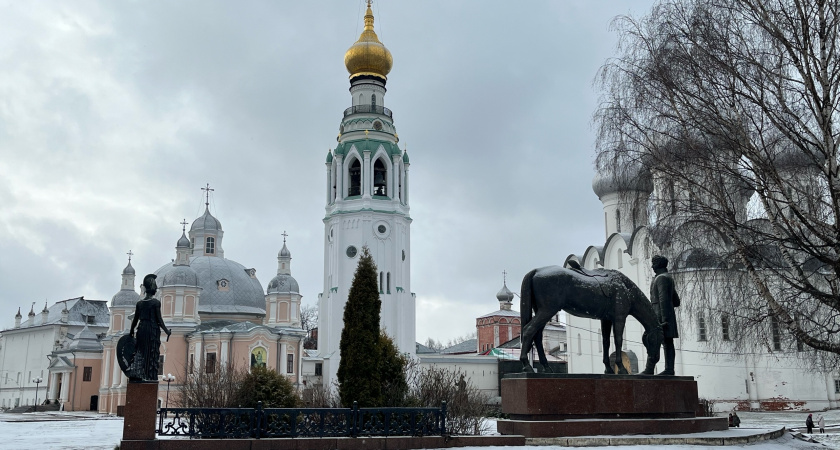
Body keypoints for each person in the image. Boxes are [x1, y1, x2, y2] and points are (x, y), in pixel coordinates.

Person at [128, 274, 171, 381]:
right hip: (152, 330)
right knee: (151, 352)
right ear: (151, 287)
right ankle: (149, 375)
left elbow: (135, 319)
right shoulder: (155, 303)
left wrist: (131, 330)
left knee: (141, 351)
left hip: (141, 329)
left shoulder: (140, 303)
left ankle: (139, 374)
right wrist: (166, 331)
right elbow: (159, 319)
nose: (156, 288)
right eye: (155, 286)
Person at [650, 255, 680, 375]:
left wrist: (664, 319)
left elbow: (664, 300)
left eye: (653, 263)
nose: (652, 266)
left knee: (665, 342)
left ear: (658, 265)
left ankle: (668, 369)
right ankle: (668, 368)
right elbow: (676, 301)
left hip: (662, 316)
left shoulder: (661, 278)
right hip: (666, 314)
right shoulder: (667, 278)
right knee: (667, 342)